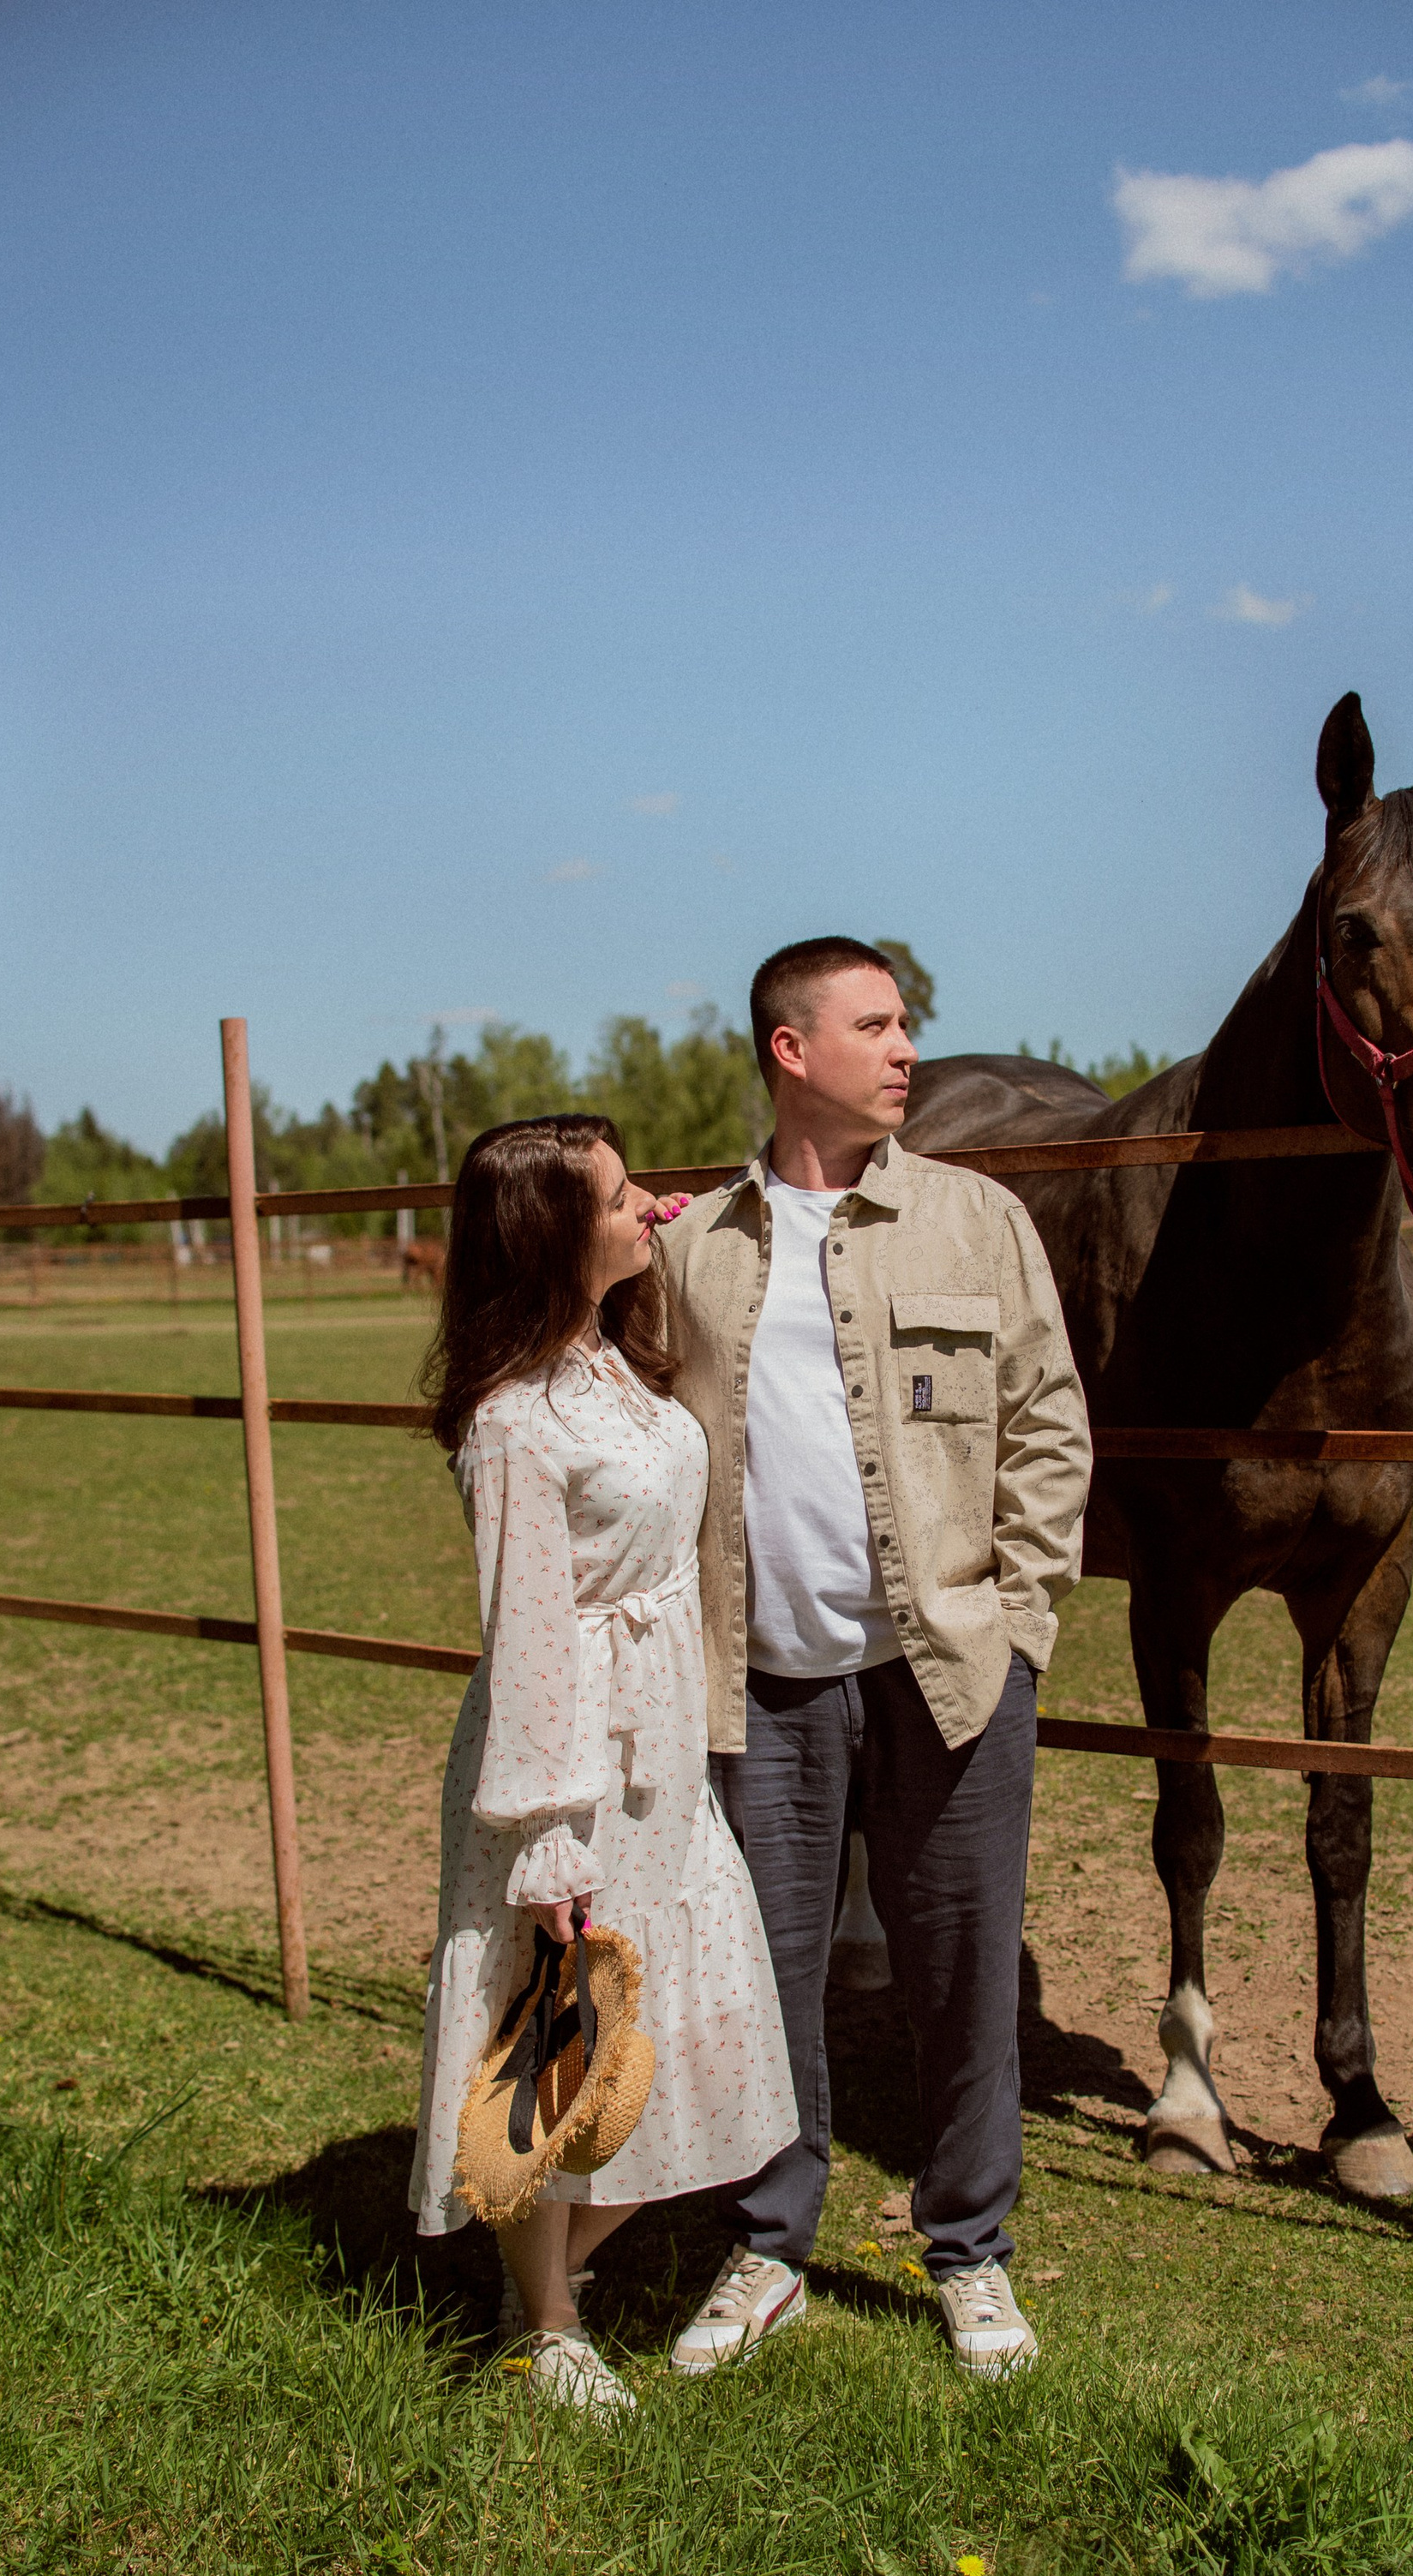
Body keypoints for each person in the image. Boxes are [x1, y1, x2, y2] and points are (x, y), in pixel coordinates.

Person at [655, 939, 1091, 2380]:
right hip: (760, 1689)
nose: (908, 1051)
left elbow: (1047, 1424)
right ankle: (771, 2242)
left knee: (963, 1975)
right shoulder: (692, 1246)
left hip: (949, 1673)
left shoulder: (979, 1220)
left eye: (910, 1023)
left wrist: (1019, 1627)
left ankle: (969, 2254)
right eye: (878, 1025)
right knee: (763, 1976)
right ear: (792, 1050)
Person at [409, 1115, 798, 2417]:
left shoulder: (616, 1363)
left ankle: (531, 2275)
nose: (653, 1207)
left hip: (663, 1740)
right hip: (570, 1744)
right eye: (623, 1198)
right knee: (555, 2035)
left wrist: (664, 1244)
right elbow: (527, 1635)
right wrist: (544, 1836)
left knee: (661, 2032)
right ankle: (547, 2320)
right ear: (547, 1237)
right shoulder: (516, 1419)